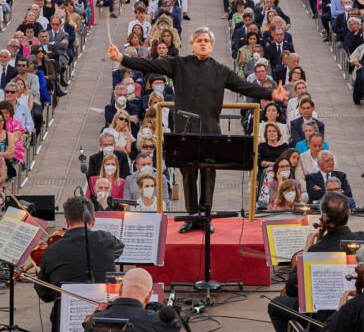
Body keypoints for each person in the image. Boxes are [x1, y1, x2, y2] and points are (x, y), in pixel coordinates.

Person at [108, 28, 287, 231]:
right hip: (185, 132)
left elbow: (244, 87)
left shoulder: (221, 70)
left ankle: (206, 216)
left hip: (211, 130)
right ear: (192, 45)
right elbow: (150, 64)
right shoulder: (179, 64)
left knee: (209, 174)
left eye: (206, 41)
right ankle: (192, 216)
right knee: (188, 174)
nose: (203, 43)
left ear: (211, 46)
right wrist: (122, 57)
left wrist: (272, 94)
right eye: (199, 40)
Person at [267, 191, 364, 332]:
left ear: (323, 217)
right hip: (362, 314)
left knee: (275, 305)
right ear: (349, 214)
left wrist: (306, 252)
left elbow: (292, 290)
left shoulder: (316, 250)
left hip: (325, 322)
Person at [37, 195, 125, 332]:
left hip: (65, 318)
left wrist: (41, 272)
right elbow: (119, 249)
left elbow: (45, 295)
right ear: (93, 220)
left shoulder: (51, 251)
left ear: (66, 221)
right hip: (104, 316)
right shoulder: (106, 239)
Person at [84, 266, 179, 332]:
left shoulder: (96, 321)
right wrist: (155, 306)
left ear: (120, 289)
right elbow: (175, 323)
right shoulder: (157, 323)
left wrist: (108, 307)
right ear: (149, 296)